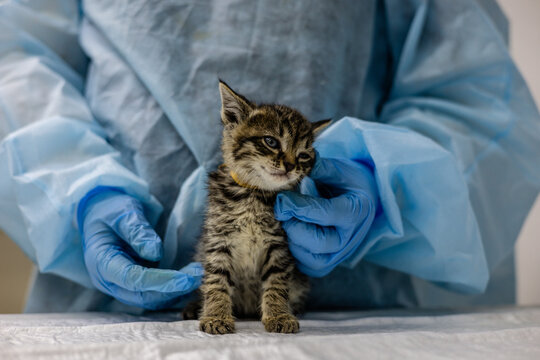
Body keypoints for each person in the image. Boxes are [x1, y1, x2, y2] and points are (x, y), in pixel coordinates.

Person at [1, 0, 539, 313]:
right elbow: (15, 60)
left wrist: (390, 191)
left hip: (353, 313)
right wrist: (77, 192)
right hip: (105, 311)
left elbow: (477, 95)